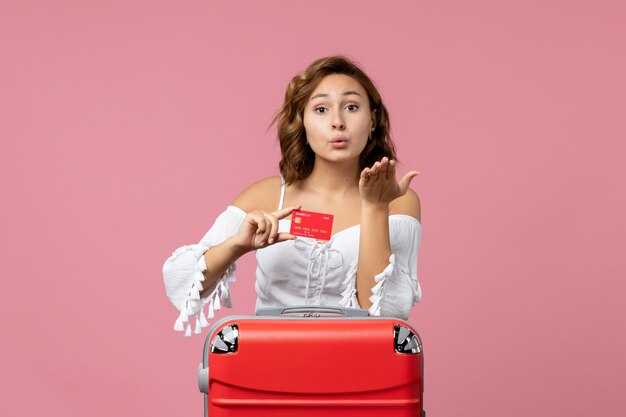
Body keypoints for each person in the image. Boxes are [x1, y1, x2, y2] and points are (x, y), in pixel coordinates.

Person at [163, 56, 422, 336]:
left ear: (372, 120)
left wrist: (374, 208)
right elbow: (181, 280)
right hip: (269, 363)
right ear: (302, 123)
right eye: (321, 109)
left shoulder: (398, 202)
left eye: (351, 107)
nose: (337, 122)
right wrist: (236, 246)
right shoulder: (266, 195)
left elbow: (387, 316)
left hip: (358, 367)